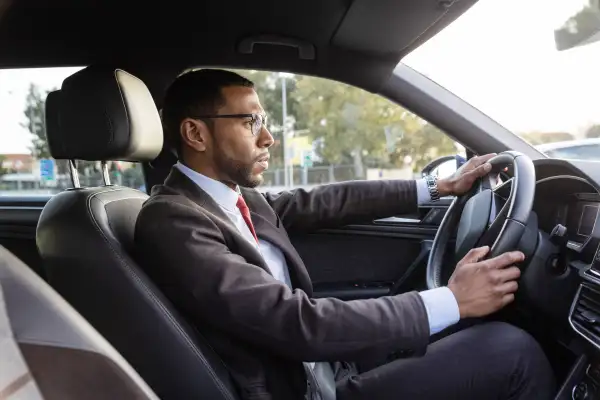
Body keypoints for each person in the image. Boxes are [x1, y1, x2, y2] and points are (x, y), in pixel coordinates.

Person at [134, 69, 555, 400]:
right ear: (195, 133)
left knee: (469, 329)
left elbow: (324, 201)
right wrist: (453, 298)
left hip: (321, 369)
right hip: (304, 390)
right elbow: (293, 323)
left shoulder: (231, 197)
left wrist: (436, 188)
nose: (268, 137)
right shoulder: (173, 220)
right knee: (511, 350)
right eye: (251, 121)